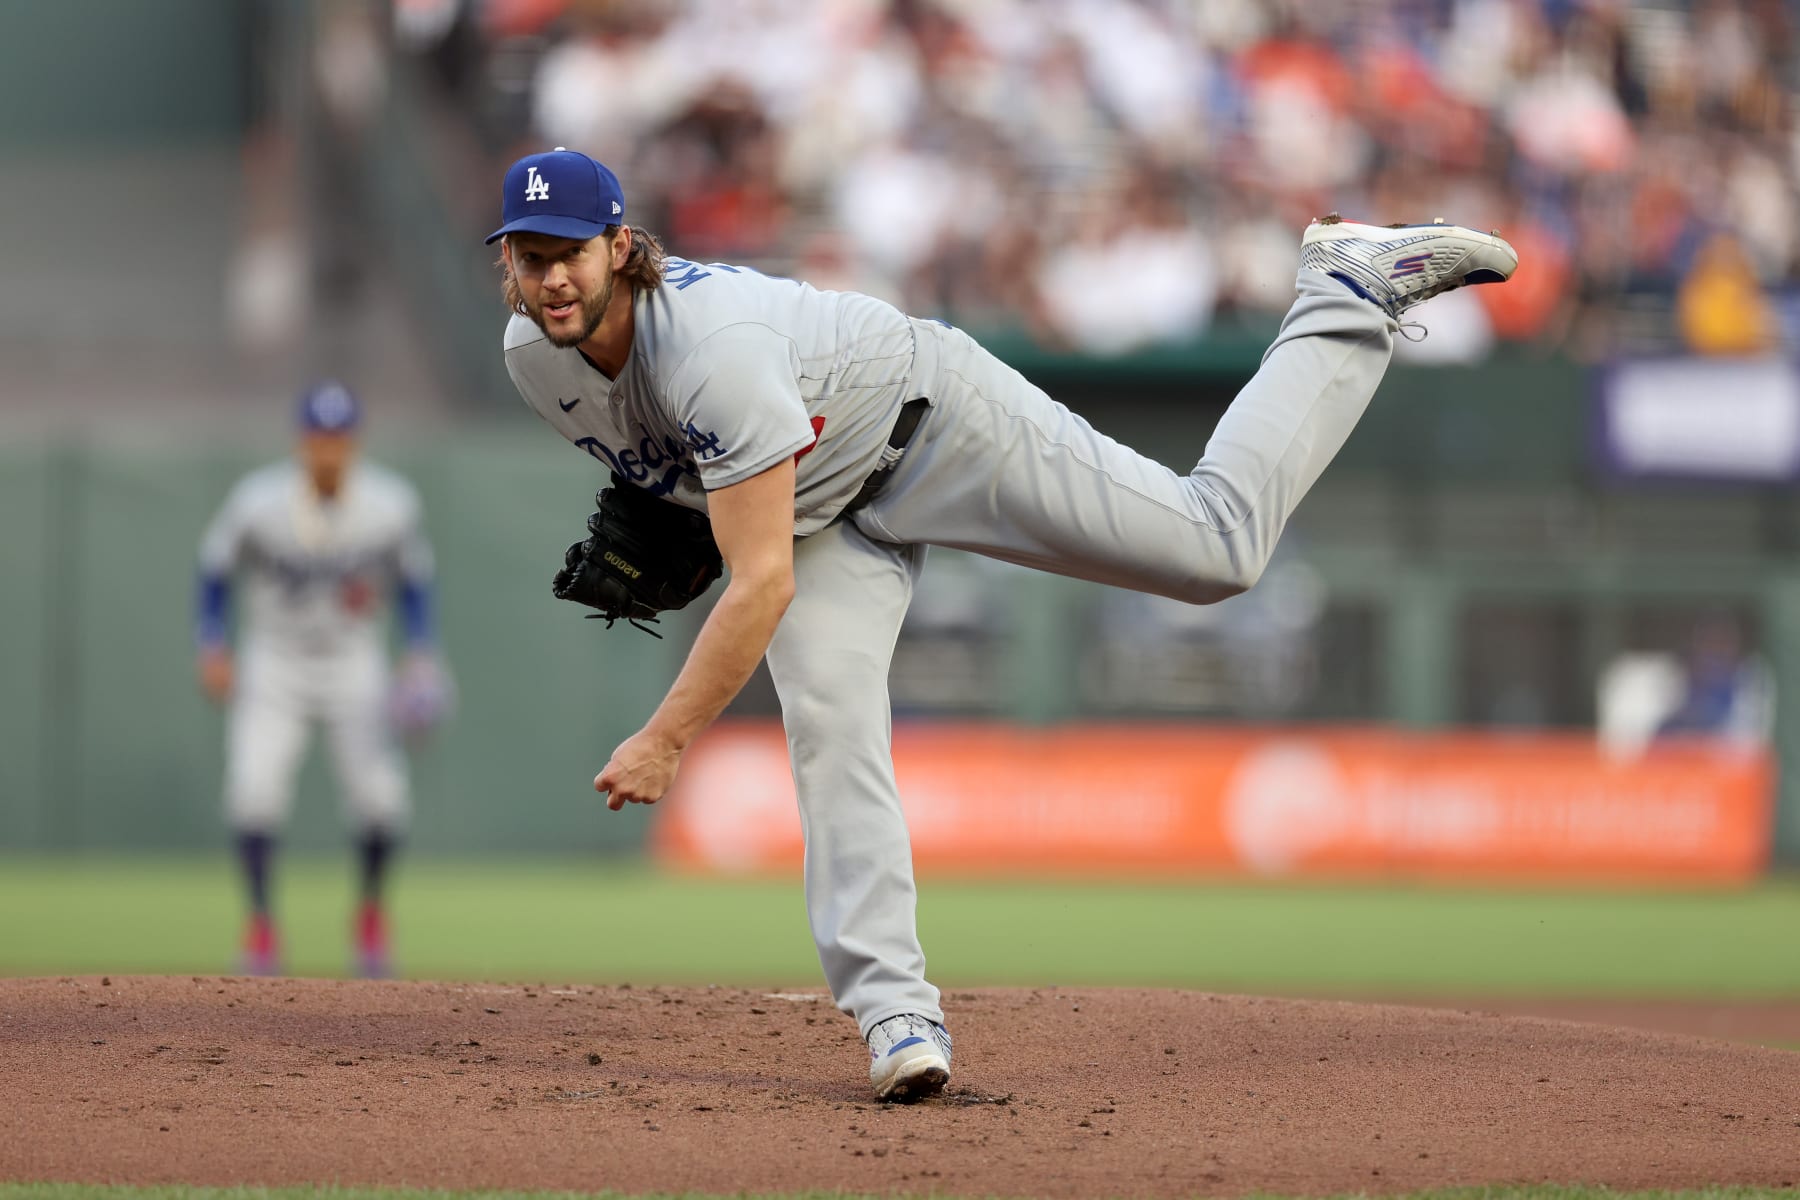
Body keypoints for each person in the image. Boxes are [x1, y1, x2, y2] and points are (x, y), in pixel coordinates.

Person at [487, 148, 1517, 1100]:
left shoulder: (713, 351)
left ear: (621, 249)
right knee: (830, 719)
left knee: (1218, 551)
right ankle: (897, 1019)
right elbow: (697, 487)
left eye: (569, 253)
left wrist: (667, 738)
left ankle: (1344, 290)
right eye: (529, 259)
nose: (551, 280)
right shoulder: (533, 358)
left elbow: (755, 586)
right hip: (820, 512)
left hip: (932, 426)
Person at [195, 383, 448, 979]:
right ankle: (260, 927)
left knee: (381, 801)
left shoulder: (390, 503)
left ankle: (370, 918)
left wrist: (420, 652)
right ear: (301, 441)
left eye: (338, 438)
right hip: (274, 661)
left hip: (353, 661)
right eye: (318, 438)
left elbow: (415, 584)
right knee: (253, 793)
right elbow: (212, 572)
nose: (328, 450)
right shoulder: (258, 501)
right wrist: (211, 642)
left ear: (353, 442)